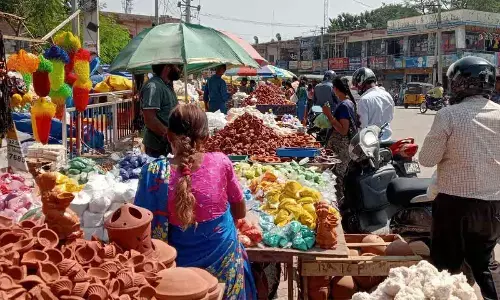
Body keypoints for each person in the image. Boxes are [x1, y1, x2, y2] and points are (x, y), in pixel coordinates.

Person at [134, 104, 257, 299]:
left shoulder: (153, 173)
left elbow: (139, 224)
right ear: (207, 137)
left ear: (168, 136)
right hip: (224, 265)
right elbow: (240, 212)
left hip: (177, 275)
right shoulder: (221, 162)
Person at [419, 56, 500, 300]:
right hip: (492, 207)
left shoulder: (448, 115)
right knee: (485, 264)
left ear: (460, 83)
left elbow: (427, 159)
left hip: (454, 206)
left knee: (447, 268)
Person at [321, 76, 359, 203]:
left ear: (336, 89)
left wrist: (329, 115)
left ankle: (340, 205)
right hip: (342, 146)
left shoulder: (344, 105)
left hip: (341, 147)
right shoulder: (349, 103)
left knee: (338, 177)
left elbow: (343, 129)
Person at [140, 63, 181, 158]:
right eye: (176, 66)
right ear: (167, 67)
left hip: (168, 144)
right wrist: (171, 137)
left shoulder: (166, 86)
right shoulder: (153, 86)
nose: (178, 69)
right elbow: (150, 120)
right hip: (157, 148)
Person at [352, 67, 394, 141]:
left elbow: (362, 127)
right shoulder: (387, 95)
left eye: (357, 85)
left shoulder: (364, 100)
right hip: (388, 141)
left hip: (371, 144)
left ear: (361, 82)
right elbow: (390, 118)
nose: (357, 88)